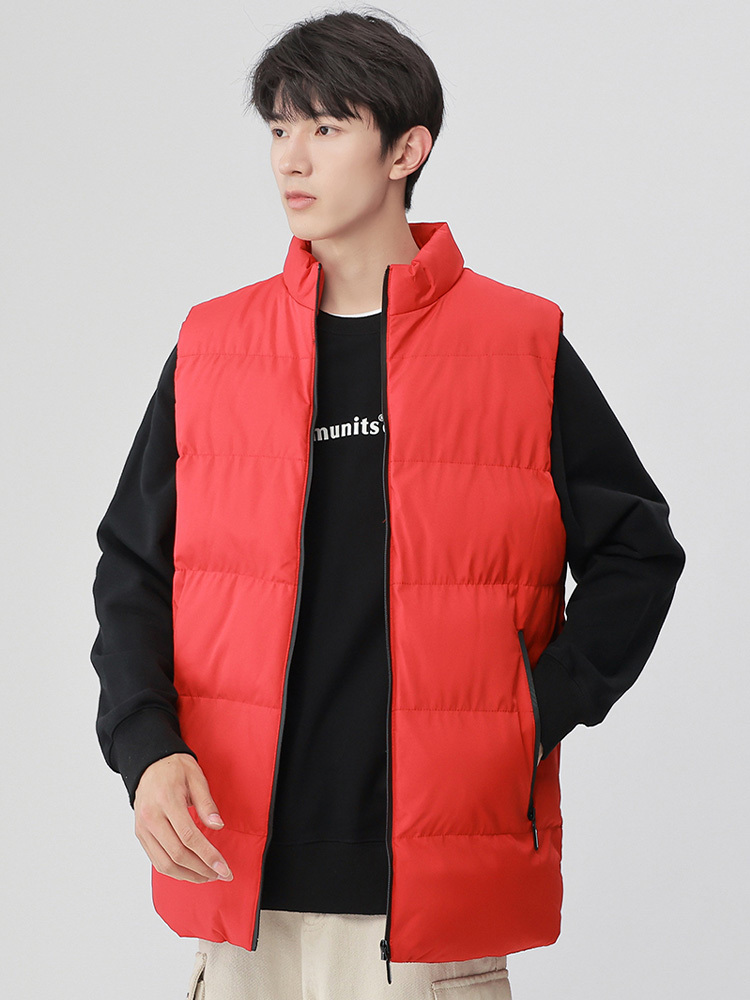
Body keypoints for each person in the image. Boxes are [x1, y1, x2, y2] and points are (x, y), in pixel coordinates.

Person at [89, 8, 686, 999]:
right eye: (280, 128)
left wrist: (529, 713)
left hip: (428, 912)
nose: (292, 158)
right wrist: (145, 747)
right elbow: (133, 570)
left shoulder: (519, 345)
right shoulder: (213, 347)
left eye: (326, 128)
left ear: (408, 150)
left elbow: (638, 550)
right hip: (241, 883)